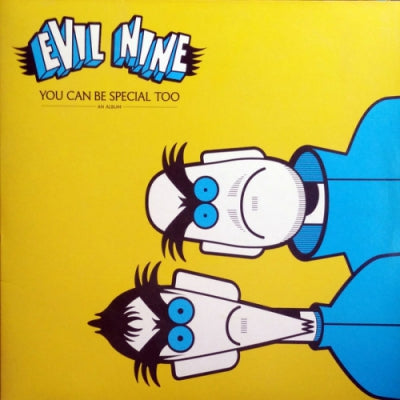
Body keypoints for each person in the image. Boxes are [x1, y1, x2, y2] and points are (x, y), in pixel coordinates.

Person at [146, 97, 400, 273]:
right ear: (228, 248)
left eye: (206, 188)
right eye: (205, 216)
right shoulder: (375, 274)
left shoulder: (382, 119)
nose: (231, 201)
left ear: (233, 156)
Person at [89, 259, 400, 399]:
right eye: (180, 339)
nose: (205, 323)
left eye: (181, 309)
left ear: (200, 287)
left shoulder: (374, 274)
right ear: (193, 363)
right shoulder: (372, 381)